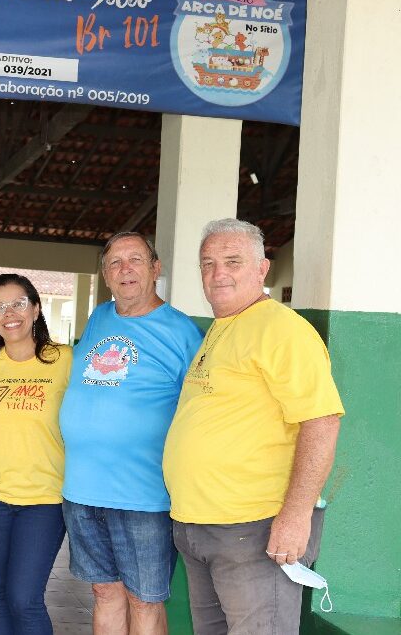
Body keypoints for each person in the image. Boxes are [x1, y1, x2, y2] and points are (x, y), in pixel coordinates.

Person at [163, 218, 344, 634]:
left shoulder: (283, 330)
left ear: (262, 268)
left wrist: (296, 517)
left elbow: (322, 421)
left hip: (254, 529)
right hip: (201, 526)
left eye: (232, 261)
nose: (217, 273)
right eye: (207, 264)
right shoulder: (223, 328)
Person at [59, 232, 202, 635]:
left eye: (135, 260)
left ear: (155, 268)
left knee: (145, 599)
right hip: (83, 490)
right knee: (105, 592)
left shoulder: (182, 332)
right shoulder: (100, 318)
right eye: (116, 263)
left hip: (143, 494)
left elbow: (201, 409)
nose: (126, 270)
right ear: (105, 274)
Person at [0, 274, 73, 635]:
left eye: (17, 303)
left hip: (44, 500)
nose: (8, 313)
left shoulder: (64, 360)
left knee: (24, 598)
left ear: (35, 309)